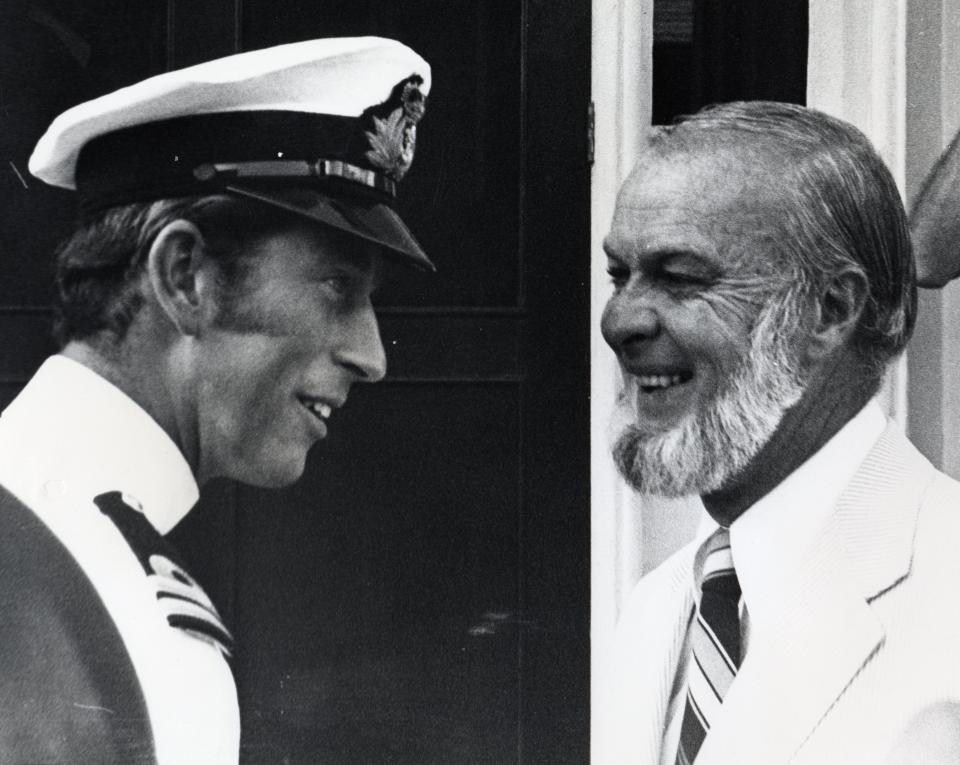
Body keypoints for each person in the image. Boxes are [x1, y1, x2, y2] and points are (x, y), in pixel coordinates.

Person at [0, 37, 433, 764]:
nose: (373, 356)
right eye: (336, 286)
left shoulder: (70, 534)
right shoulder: (102, 596)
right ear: (184, 276)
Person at [593, 101, 960, 764]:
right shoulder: (658, 609)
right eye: (620, 274)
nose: (619, 321)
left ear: (830, 310)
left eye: (680, 278)